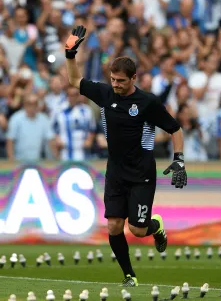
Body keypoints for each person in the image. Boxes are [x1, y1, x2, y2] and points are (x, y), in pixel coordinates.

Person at [64, 25, 187, 287]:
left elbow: (175, 128)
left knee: (138, 230)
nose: (116, 85)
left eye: (121, 81)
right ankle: (129, 275)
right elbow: (75, 81)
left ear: (134, 78)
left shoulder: (148, 103)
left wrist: (179, 159)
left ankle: (157, 226)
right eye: (113, 79)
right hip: (116, 173)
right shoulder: (105, 94)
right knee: (114, 227)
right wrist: (70, 56)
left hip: (142, 173)